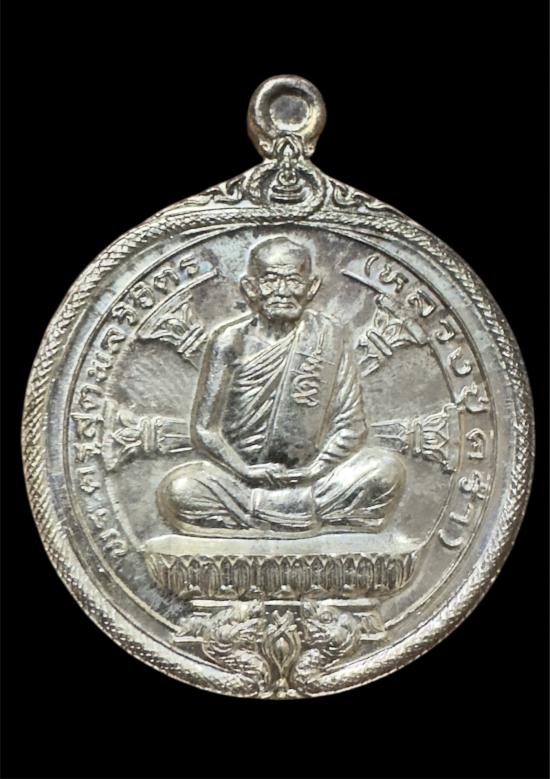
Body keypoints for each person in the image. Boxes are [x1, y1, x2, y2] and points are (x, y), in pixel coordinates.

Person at [157, 236, 405, 534]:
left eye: (293, 281)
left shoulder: (328, 335)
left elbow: (352, 427)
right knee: (181, 489)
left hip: (313, 481)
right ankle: (298, 514)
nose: (283, 291)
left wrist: (314, 470)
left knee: (385, 472)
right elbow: (205, 430)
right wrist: (245, 471)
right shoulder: (230, 342)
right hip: (240, 482)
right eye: (271, 280)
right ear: (251, 288)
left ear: (311, 287)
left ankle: (268, 515)